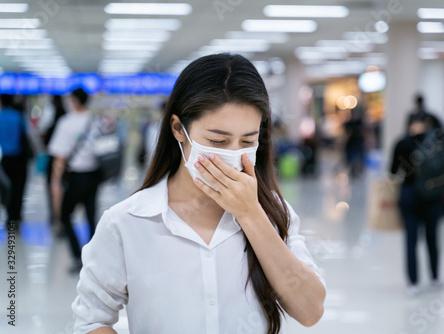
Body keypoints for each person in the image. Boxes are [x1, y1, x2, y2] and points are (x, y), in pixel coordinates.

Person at [71, 53, 326, 334]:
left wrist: (250, 214)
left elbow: (310, 310)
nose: (232, 154)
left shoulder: (273, 211)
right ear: (179, 129)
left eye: (247, 141)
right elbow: (91, 321)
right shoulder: (126, 222)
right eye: (218, 140)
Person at [390, 114, 444, 297]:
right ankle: (435, 277)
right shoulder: (436, 143)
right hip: (433, 196)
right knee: (432, 238)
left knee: (411, 240)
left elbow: (393, 171)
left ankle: (413, 283)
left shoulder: (402, 143)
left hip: (409, 195)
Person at [48, 88, 101, 274]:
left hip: (76, 175)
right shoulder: (95, 120)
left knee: (64, 215)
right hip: (94, 174)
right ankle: (96, 260)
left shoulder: (67, 122)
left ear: (74, 101)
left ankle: (78, 257)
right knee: (90, 216)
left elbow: (59, 157)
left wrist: (55, 182)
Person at [0, 94, 29, 233]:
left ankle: (9, 216)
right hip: (18, 159)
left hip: (3, 160)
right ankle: (15, 217)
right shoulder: (18, 116)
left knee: (6, 189)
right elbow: (26, 134)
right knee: (18, 189)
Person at [42, 95, 67, 236]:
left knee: (53, 190)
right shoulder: (66, 121)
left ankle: (55, 218)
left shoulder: (53, 125)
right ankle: (62, 219)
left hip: (54, 162)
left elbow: (46, 143)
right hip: (68, 165)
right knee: (63, 192)